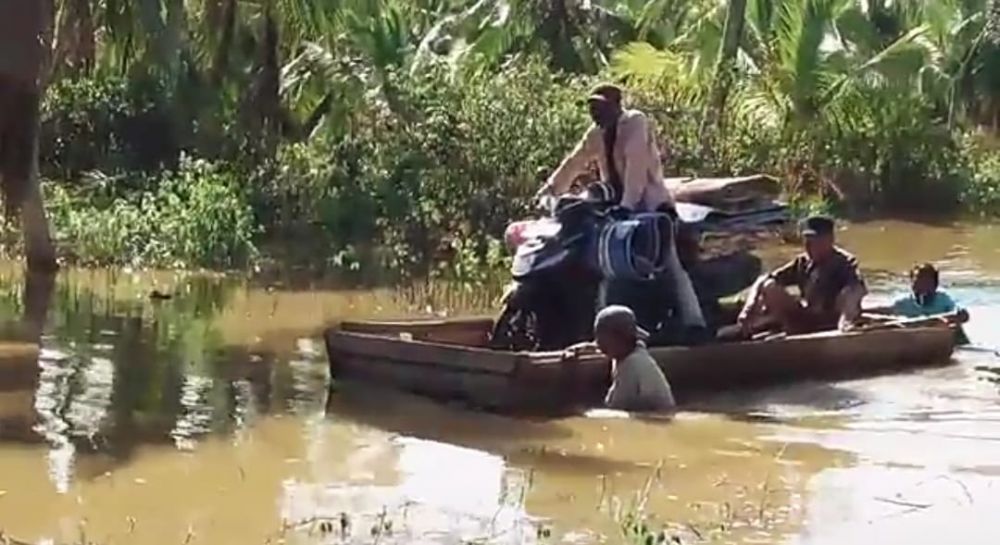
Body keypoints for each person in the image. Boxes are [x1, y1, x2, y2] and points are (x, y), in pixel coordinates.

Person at [535, 83, 706, 333]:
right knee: (602, 262)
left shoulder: (635, 123)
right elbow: (574, 161)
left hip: (650, 206)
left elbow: (636, 168)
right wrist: (549, 191)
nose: (594, 112)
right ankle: (598, 328)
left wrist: (627, 206)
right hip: (616, 208)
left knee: (670, 263)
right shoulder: (596, 133)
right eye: (591, 107)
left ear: (616, 106)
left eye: (600, 106)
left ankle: (695, 323)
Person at [738, 215, 867, 336]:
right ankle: (787, 329)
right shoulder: (802, 262)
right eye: (807, 241)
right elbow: (766, 278)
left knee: (848, 292)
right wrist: (750, 307)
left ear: (829, 240)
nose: (809, 247)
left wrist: (846, 319)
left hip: (833, 321)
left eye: (815, 241)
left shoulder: (845, 262)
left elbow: (856, 289)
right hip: (807, 319)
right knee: (769, 286)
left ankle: (843, 331)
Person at [593, 305, 676, 413]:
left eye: (602, 340)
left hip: (655, 416)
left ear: (620, 338)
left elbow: (616, 405)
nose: (598, 344)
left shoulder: (631, 364)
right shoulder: (633, 354)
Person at [890, 263, 969, 324]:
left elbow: (962, 314)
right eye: (918, 281)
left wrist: (956, 317)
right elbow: (885, 312)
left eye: (926, 282)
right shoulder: (904, 303)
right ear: (912, 283)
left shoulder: (943, 300)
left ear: (935, 284)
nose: (922, 286)